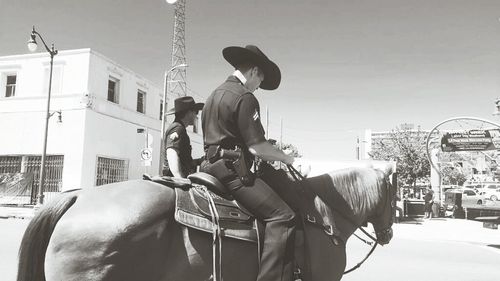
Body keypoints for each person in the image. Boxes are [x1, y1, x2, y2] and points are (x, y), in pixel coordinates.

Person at [201, 45, 296, 281]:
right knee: (283, 216)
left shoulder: (213, 95)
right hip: (232, 171)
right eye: (260, 80)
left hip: (208, 166)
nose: (259, 86)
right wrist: (286, 157)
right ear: (254, 71)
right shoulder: (245, 97)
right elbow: (257, 147)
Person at [163, 96, 204, 178]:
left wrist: (199, 161)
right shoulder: (178, 129)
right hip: (173, 179)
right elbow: (172, 153)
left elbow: (183, 160)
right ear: (189, 112)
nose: (196, 116)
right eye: (195, 112)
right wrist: (180, 179)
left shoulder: (179, 128)